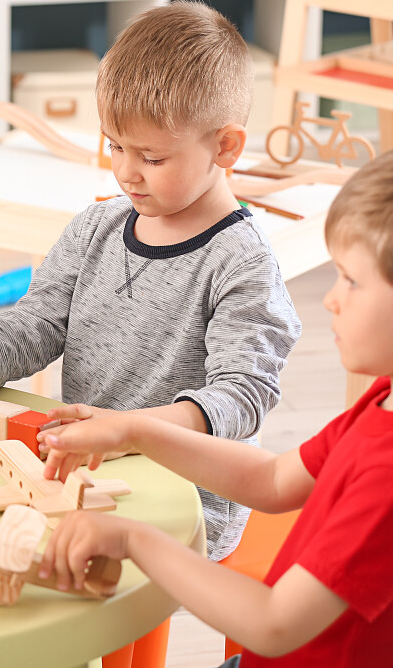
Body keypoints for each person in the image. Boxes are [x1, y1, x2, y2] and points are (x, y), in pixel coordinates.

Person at [0, 1, 301, 560]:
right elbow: (38, 322)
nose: (125, 171)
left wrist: (130, 430)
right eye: (115, 146)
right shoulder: (97, 227)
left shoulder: (243, 264)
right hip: (86, 475)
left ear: (225, 147)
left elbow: (241, 398)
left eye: (150, 156)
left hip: (185, 498)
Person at [38, 150, 393, 666]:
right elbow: (272, 482)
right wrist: (132, 430)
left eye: (352, 281)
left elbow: (273, 624)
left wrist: (136, 540)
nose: (330, 300)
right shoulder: (382, 403)